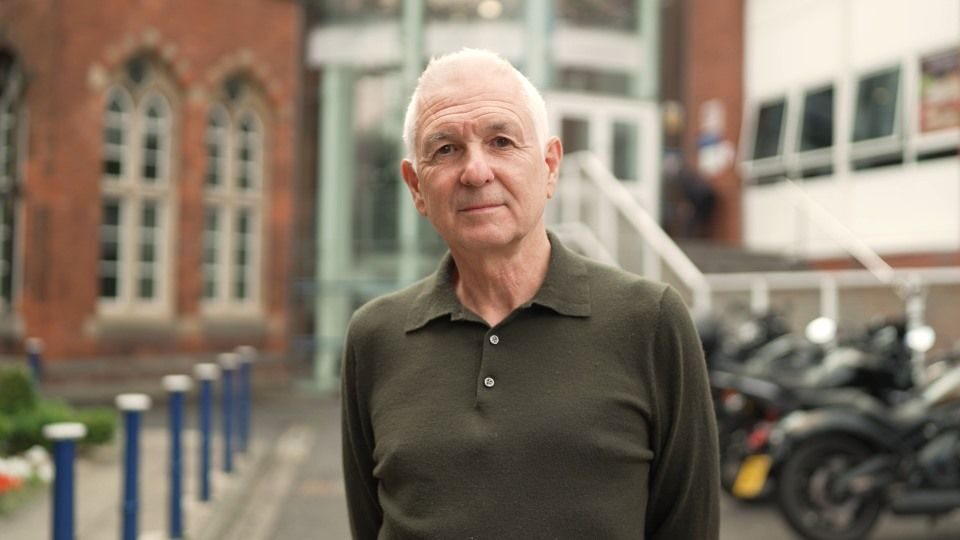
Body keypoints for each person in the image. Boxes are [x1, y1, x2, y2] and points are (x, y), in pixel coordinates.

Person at [341, 48, 719, 539]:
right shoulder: (375, 336)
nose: (476, 171)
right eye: (446, 149)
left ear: (550, 166)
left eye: (501, 141)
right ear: (416, 187)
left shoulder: (650, 321)